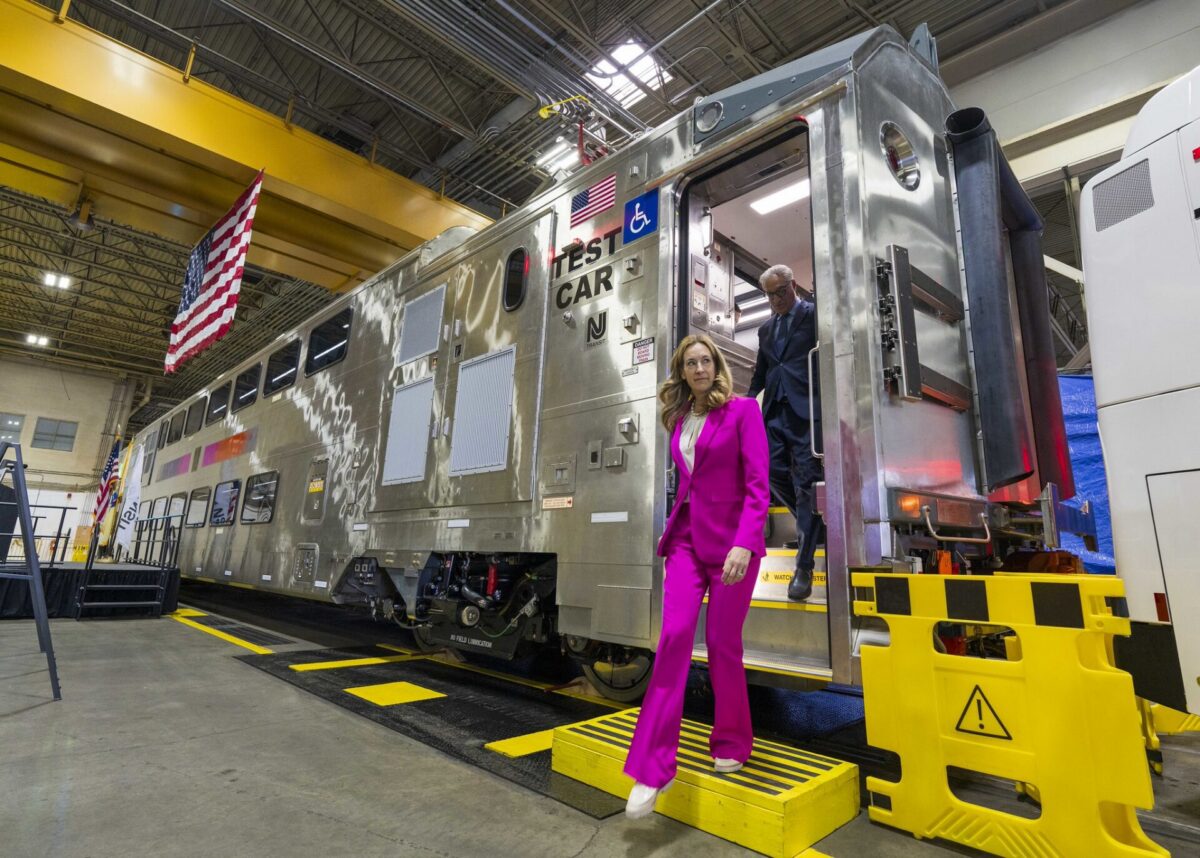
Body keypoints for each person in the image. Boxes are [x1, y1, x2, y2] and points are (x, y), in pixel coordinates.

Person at [624, 333, 770, 819]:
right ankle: (651, 768)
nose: (700, 368)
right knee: (674, 638)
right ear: (682, 371)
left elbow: (757, 485)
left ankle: (731, 739)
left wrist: (746, 543)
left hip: (731, 549)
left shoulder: (744, 411)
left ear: (717, 366)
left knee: (724, 645)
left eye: (707, 360)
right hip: (686, 542)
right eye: (691, 363)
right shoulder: (680, 420)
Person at [746, 264, 823, 601]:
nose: (776, 299)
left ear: (793, 286)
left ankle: (804, 566)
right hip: (774, 412)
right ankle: (815, 521)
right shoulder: (765, 330)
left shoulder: (815, 315)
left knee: (806, 483)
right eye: (770, 295)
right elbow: (761, 373)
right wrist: (744, 408)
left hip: (808, 409)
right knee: (770, 473)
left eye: (780, 292)